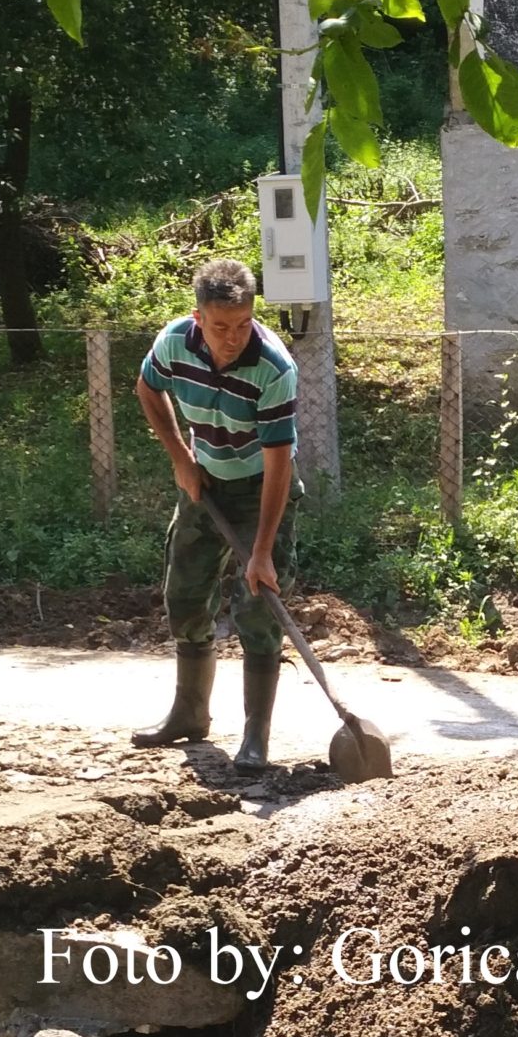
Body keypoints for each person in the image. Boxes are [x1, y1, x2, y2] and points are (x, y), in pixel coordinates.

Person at [130, 258, 300, 774]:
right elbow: (147, 388)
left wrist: (262, 552)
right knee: (183, 595)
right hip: (203, 480)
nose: (232, 338)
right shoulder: (173, 342)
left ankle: (255, 735)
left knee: (257, 607)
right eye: (221, 326)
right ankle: (190, 713)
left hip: (260, 488)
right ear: (198, 318)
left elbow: (278, 465)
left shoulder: (274, 368)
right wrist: (181, 458)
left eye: (243, 324)